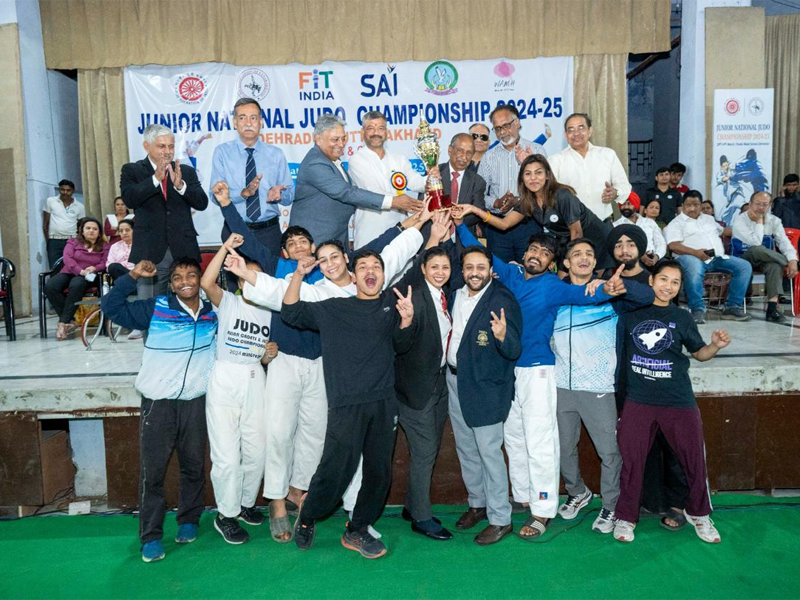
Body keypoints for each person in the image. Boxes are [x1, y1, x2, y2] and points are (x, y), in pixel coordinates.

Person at [213, 180, 427, 542]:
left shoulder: (368, 279)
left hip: (343, 377)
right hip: (301, 368)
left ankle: (346, 512)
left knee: (320, 441)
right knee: (283, 435)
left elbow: (391, 248)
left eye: (332, 257)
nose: (327, 264)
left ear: (346, 258)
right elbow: (278, 292)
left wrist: (422, 222)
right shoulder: (314, 290)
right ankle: (279, 501)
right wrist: (246, 272)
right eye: (322, 260)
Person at [455, 222, 626, 540]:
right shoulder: (511, 274)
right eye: (533, 249)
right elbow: (479, 253)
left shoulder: (553, 285)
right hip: (506, 370)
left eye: (545, 253)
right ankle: (524, 497)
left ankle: (543, 509)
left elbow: (582, 294)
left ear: (552, 262)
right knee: (514, 438)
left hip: (537, 370)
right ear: (525, 253)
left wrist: (606, 289)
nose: (537, 255)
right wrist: (459, 223)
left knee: (540, 442)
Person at [277, 250, 418, 560]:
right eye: (363, 266)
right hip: (346, 404)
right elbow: (290, 312)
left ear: (383, 275)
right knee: (335, 470)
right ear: (354, 276)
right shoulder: (334, 308)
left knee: (379, 472)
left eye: (376, 266)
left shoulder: (392, 306)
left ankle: (357, 528)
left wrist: (407, 320)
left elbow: (402, 346)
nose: (370, 270)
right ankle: (309, 515)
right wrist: (298, 275)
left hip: (384, 403)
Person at [100, 257, 218, 563]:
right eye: (178, 277)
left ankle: (189, 518)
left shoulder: (213, 311)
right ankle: (151, 536)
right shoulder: (157, 308)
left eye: (191, 275)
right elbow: (111, 307)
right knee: (152, 473)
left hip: (195, 401)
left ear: (200, 279)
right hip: (158, 403)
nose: (185, 281)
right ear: (171, 284)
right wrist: (132, 276)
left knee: (193, 465)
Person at [614, 260, 729, 545]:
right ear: (651, 281)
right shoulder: (630, 313)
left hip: (678, 400)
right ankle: (626, 517)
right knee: (632, 462)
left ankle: (699, 514)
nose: (668, 286)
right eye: (663, 279)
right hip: (638, 400)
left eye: (675, 282)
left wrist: (714, 346)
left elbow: (700, 354)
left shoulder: (682, 317)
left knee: (693, 460)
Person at [553, 238, 653, 533]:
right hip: (560, 385)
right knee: (563, 448)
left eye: (589, 253)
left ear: (595, 262)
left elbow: (647, 296)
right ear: (566, 263)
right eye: (576, 254)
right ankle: (577, 492)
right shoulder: (557, 295)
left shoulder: (609, 293)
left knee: (609, 452)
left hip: (598, 386)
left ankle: (611, 505)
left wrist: (620, 285)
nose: (583, 257)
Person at [199, 237, 275, 545]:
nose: (250, 280)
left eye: (256, 276)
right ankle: (226, 515)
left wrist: (268, 355)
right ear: (239, 281)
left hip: (256, 378)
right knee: (227, 456)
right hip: (225, 378)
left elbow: (264, 357)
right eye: (245, 275)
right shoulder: (229, 302)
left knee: (257, 451)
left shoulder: (271, 312)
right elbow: (206, 282)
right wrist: (224, 249)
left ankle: (245, 504)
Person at [446, 244, 522, 545]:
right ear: (462, 270)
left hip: (486, 388)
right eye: (469, 267)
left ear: (491, 270)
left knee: (489, 453)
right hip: (454, 381)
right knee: (466, 448)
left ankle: (501, 518)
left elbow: (514, 349)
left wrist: (503, 336)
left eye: (481, 267)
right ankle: (478, 504)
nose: (474, 273)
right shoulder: (456, 294)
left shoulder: (502, 298)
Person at [391, 244, 456, 541]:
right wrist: (405, 321)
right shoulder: (414, 296)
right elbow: (399, 344)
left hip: (438, 383)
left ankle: (412, 505)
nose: (440, 272)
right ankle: (421, 517)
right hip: (414, 388)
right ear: (422, 269)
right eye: (434, 267)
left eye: (445, 267)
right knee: (425, 452)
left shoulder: (443, 296)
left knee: (426, 450)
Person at [457, 155, 614, 272]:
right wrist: (475, 210)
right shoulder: (528, 201)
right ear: (522, 179)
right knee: (562, 281)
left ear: (547, 176)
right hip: (568, 241)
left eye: (538, 173)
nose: (533, 178)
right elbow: (504, 224)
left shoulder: (562, 195)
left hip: (594, 241)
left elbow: (577, 233)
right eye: (527, 174)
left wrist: (573, 266)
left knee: (588, 283)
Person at [290, 113, 422, 246]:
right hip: (314, 239)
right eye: (335, 140)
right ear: (318, 139)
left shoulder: (331, 160)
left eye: (343, 138)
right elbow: (347, 193)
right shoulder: (316, 163)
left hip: (335, 238)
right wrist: (394, 201)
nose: (341, 144)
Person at [120, 123, 209, 298]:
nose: (168, 151)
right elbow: (130, 199)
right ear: (147, 146)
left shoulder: (185, 172)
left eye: (171, 146)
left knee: (188, 304)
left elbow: (201, 203)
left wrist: (181, 186)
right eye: (162, 146)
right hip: (150, 251)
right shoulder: (132, 170)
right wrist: (155, 179)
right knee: (149, 306)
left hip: (183, 249)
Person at [210, 97, 294, 256]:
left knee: (270, 273)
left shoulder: (276, 154)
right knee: (235, 273)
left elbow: (289, 197)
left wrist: (280, 194)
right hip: (235, 230)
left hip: (269, 233)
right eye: (242, 118)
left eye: (253, 118)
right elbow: (214, 196)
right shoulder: (222, 153)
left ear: (261, 122)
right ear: (235, 122)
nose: (248, 123)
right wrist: (243, 194)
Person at [664, 190, 752, 324]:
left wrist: (746, 231)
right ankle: (697, 309)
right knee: (694, 267)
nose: (692, 208)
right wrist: (695, 253)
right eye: (688, 205)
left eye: (696, 205)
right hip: (689, 257)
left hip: (716, 258)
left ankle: (732, 307)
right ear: (683, 206)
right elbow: (673, 245)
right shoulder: (676, 223)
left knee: (744, 266)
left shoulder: (708, 219)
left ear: (700, 205)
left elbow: (724, 231)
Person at [349, 110, 427, 248]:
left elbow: (415, 182)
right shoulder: (357, 159)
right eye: (370, 128)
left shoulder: (399, 159)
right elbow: (373, 192)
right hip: (370, 231)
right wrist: (404, 202)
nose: (376, 133)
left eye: (381, 128)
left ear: (386, 132)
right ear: (362, 132)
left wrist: (430, 179)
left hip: (400, 229)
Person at [477, 104, 545, 263]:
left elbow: (545, 191)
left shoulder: (536, 150)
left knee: (531, 271)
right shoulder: (488, 157)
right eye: (497, 128)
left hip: (529, 224)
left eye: (506, 125)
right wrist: (496, 202)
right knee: (500, 272)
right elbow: (479, 194)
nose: (502, 132)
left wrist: (518, 201)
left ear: (517, 123)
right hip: (497, 228)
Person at [548, 113, 631, 222]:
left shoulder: (607, 154)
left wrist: (615, 192)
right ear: (565, 134)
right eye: (571, 130)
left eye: (581, 128)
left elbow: (624, 185)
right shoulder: (555, 160)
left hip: (603, 222)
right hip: (570, 225)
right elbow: (547, 192)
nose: (576, 133)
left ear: (590, 131)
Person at [732, 191, 798, 323]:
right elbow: (756, 242)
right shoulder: (740, 220)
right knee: (757, 248)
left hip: (765, 258)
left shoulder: (774, 221)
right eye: (757, 204)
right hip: (743, 259)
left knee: (774, 266)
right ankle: (785, 262)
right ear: (750, 204)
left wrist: (792, 259)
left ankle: (772, 310)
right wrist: (759, 221)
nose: (761, 207)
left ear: (770, 205)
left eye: (765, 204)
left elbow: (784, 242)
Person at [44, 217, 109, 341]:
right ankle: (70, 320)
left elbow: (105, 262)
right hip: (70, 271)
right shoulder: (73, 242)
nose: (91, 231)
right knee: (50, 286)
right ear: (82, 231)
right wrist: (80, 271)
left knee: (76, 284)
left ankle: (63, 323)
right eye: (88, 228)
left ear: (99, 233)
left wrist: (95, 268)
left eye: (95, 229)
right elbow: (67, 259)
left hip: (91, 276)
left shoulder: (105, 246)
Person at [437, 134, 487, 234]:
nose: (464, 157)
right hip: (435, 234)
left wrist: (459, 219)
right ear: (450, 150)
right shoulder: (435, 173)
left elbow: (478, 212)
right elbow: (423, 205)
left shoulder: (478, 181)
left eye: (469, 153)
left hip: (463, 236)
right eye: (460, 150)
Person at [106, 218, 143, 340]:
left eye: (127, 230)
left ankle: (137, 325)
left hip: (138, 277)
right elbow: (109, 264)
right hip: (122, 277)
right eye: (121, 231)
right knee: (114, 267)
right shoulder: (115, 246)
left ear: (134, 230)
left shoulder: (141, 244)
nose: (124, 233)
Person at [612, 192, 666, 267]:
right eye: (623, 204)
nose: (626, 207)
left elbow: (661, 243)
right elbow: (616, 248)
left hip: (654, 258)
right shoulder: (616, 225)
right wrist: (640, 256)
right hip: (630, 260)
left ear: (636, 205)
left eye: (629, 204)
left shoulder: (649, 222)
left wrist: (657, 257)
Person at [42, 179, 85, 268]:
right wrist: (49, 241)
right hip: (54, 241)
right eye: (62, 189)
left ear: (73, 191)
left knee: (71, 267)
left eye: (68, 190)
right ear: (59, 189)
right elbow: (45, 223)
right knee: (54, 267)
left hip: (71, 241)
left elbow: (80, 226)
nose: (65, 192)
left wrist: (77, 240)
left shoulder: (80, 206)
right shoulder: (50, 201)